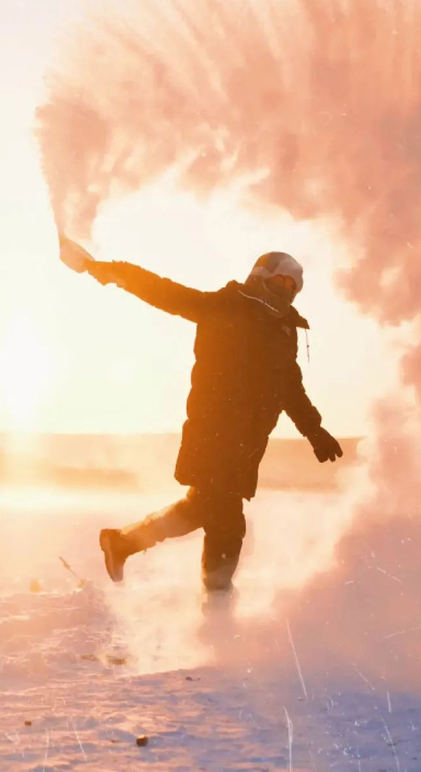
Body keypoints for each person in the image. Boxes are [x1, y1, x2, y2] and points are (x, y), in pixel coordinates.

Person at [60, 238, 343, 592]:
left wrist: (315, 432)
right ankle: (218, 603)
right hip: (214, 435)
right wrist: (102, 269)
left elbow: (290, 389)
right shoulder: (224, 307)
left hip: (247, 445)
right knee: (228, 524)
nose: (286, 290)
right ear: (260, 277)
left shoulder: (282, 331)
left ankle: (122, 543)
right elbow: (162, 291)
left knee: (200, 509)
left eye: (293, 286)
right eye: (280, 280)